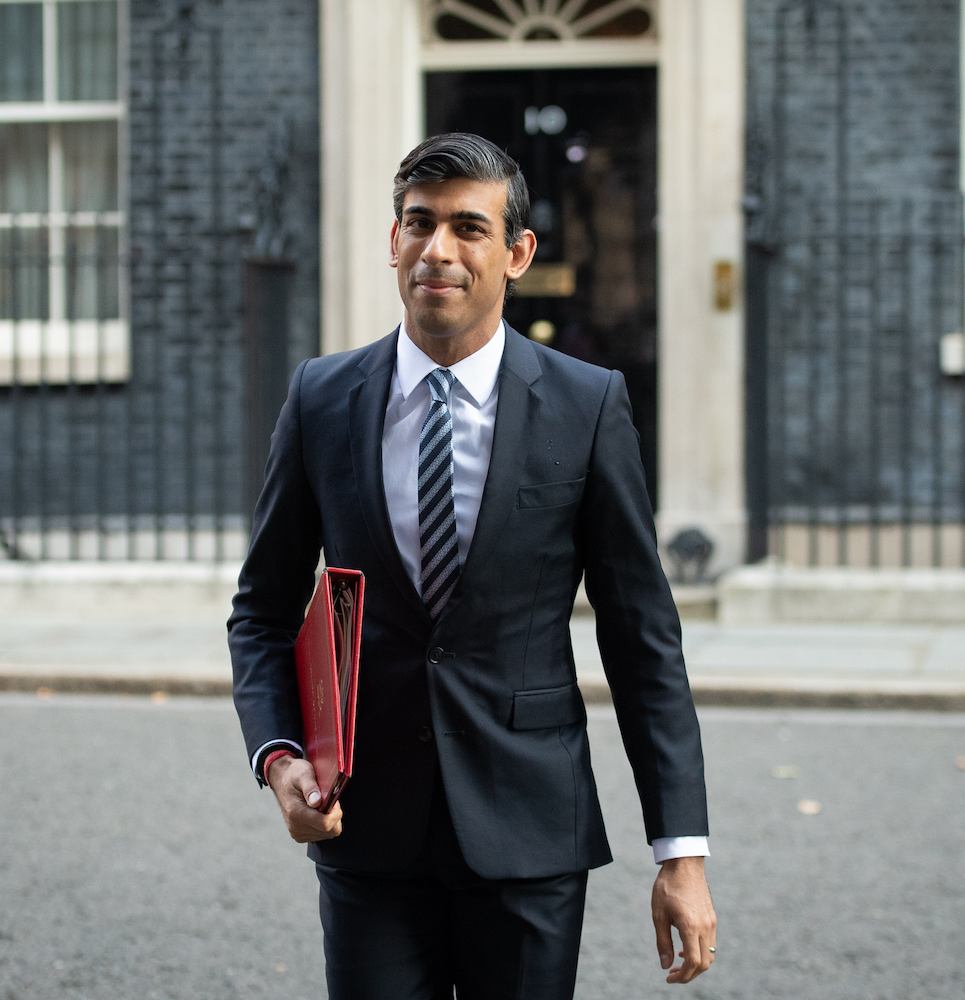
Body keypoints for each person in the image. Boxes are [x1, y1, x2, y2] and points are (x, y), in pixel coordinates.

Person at [228, 132, 715, 999]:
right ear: (393, 240)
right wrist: (280, 757)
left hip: (530, 832)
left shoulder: (586, 404)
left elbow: (642, 636)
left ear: (518, 253)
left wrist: (681, 854)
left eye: (469, 228)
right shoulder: (321, 399)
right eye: (420, 223)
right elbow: (263, 610)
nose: (438, 250)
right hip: (369, 831)